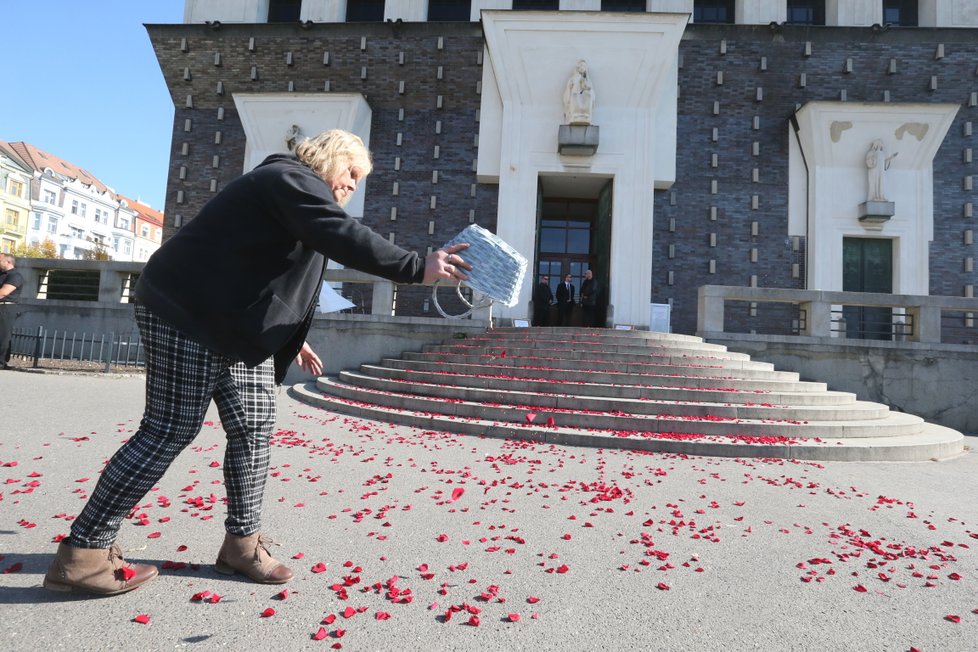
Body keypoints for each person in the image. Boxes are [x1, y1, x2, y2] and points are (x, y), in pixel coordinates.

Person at [43, 129, 471, 596]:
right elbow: (340, 233)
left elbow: (282, 280)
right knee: (169, 429)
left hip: (235, 330)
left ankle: (241, 546)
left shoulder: (295, 198)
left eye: (359, 179)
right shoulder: (288, 178)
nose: (353, 185)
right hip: (188, 311)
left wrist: (294, 339)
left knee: (254, 428)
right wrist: (416, 266)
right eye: (351, 171)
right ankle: (83, 553)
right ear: (327, 157)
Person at [0, 253, 24, 369]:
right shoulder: (1, 274)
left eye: (0, 260)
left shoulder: (15, 276)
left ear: (8, 262)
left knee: (3, 335)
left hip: (6, 307)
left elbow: (3, 292)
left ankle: (1, 362)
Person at [562, 59, 595, 125]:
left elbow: (591, 91)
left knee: (588, 96)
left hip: (585, 100)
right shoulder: (573, 79)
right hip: (575, 99)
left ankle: (586, 116)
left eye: (584, 66)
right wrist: (569, 87)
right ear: (578, 68)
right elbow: (568, 90)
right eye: (581, 66)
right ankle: (574, 116)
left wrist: (587, 88)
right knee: (574, 98)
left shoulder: (588, 80)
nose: (582, 67)